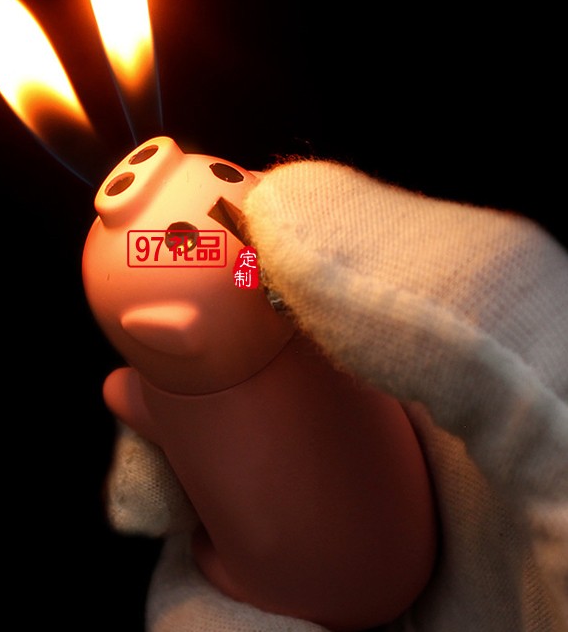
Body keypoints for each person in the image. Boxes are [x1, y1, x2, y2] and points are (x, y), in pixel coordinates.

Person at [104, 157, 568, 632]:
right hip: (387, 546)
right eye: (180, 240)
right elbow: (242, 276)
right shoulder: (288, 316)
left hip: (311, 582)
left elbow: (137, 395)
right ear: (175, 333)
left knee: (208, 550)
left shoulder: (184, 386)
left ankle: (238, 573)